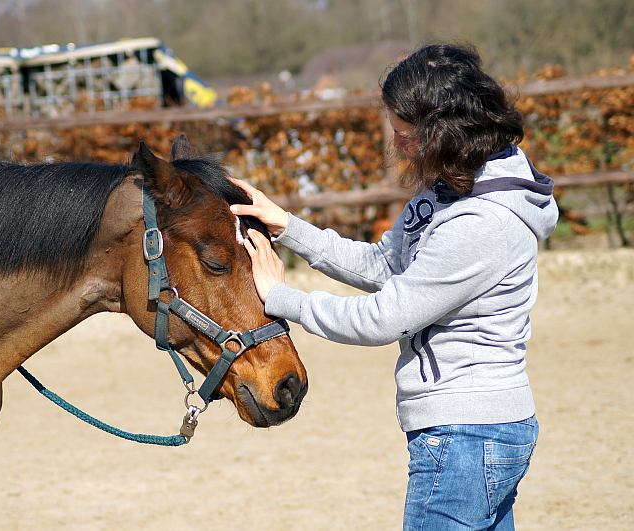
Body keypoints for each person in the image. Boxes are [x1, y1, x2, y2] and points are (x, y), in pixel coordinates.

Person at [229, 43, 558, 530]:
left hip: (466, 434)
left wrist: (282, 299)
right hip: (470, 432)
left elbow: (383, 317)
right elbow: (386, 264)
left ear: (443, 134)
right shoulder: (451, 186)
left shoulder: (482, 222)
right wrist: (288, 228)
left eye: (405, 136)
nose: (397, 145)